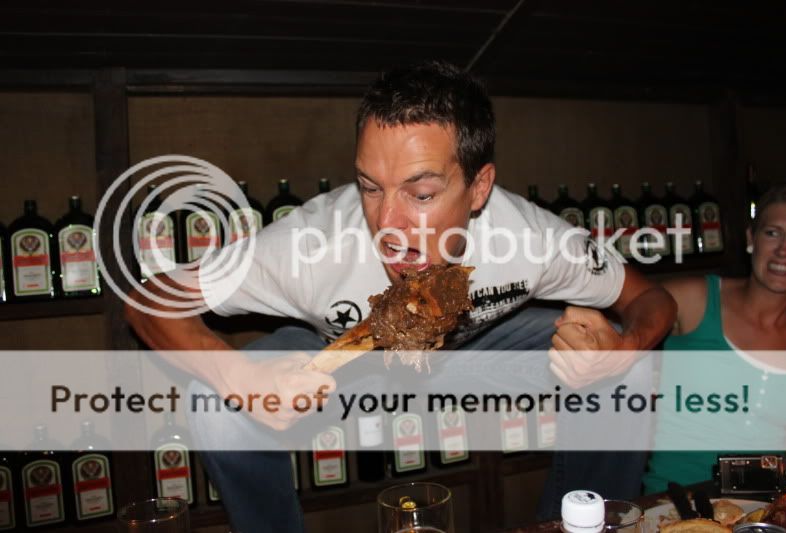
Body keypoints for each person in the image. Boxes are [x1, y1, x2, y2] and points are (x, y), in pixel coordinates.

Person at [125, 60, 676, 532]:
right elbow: (150, 300)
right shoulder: (309, 246)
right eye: (370, 187)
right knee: (214, 403)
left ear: (479, 187)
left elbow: (651, 301)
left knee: (625, 368)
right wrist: (238, 379)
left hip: (472, 353)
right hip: (343, 358)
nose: (387, 223)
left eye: (422, 193)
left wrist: (623, 349)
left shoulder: (531, 239)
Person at [643, 182, 786, 493]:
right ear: (750, 239)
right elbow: (615, 324)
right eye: (773, 233)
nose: (784, 249)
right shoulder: (692, 300)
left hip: (765, 504)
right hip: (674, 502)